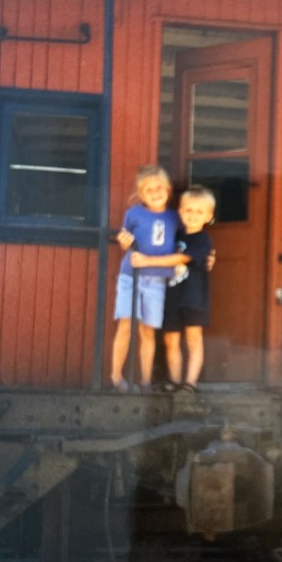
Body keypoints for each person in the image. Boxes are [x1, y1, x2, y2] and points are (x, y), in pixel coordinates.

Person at [130, 185, 215, 391]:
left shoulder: (203, 240)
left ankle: (190, 383)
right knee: (171, 340)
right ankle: (174, 381)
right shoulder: (174, 237)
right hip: (171, 296)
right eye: (188, 210)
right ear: (180, 211)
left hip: (194, 298)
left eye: (199, 211)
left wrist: (147, 261)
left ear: (208, 216)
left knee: (194, 340)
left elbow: (182, 257)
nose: (193, 215)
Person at [111, 164, 178, 391]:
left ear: (168, 189)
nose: (155, 193)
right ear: (141, 194)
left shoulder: (174, 217)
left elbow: (183, 243)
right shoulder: (134, 214)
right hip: (131, 277)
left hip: (157, 281)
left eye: (159, 188)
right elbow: (124, 239)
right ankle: (116, 377)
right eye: (149, 190)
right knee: (126, 325)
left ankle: (146, 381)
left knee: (148, 330)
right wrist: (124, 242)